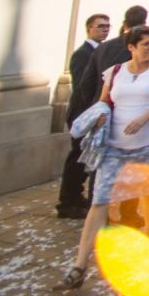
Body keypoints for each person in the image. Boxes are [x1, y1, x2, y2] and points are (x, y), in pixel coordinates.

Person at [52, 26, 149, 293]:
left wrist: (143, 118)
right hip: (115, 145)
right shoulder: (116, 71)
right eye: (145, 43)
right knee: (100, 201)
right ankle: (79, 266)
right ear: (130, 47)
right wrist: (99, 115)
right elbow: (104, 101)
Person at [56, 13, 111, 218]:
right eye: (100, 26)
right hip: (83, 113)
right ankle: (67, 201)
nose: (105, 29)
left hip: (92, 113)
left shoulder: (100, 51)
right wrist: (94, 113)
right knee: (77, 158)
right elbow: (82, 87)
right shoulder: (83, 54)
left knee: (83, 158)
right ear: (89, 28)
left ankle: (76, 196)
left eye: (107, 26)